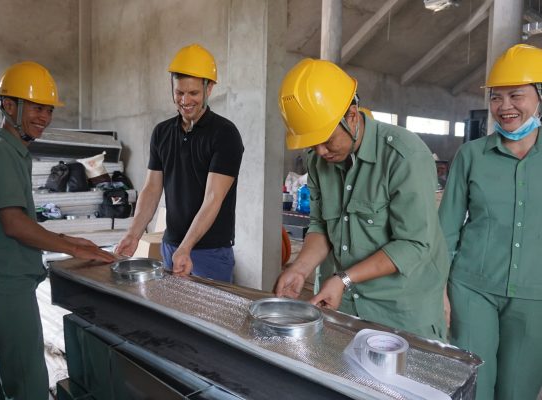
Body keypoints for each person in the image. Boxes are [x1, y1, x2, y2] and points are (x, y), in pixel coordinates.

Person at [0, 61, 116, 400]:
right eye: (36, 107)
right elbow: (14, 224)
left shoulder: (14, 153)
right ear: (8, 105)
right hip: (4, 289)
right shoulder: (0, 153)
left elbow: (19, 218)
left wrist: (69, 239)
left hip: (1, 285)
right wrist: (73, 249)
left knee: (5, 382)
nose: (44, 117)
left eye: (48, 109)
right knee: (29, 386)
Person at [274, 59, 449, 341]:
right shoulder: (319, 162)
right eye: (311, 143)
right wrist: (299, 268)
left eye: (327, 139)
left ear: (352, 115)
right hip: (338, 305)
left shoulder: (404, 156)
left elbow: (414, 243)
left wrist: (344, 278)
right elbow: (321, 226)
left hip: (398, 313)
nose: (320, 152)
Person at [438, 44, 542, 400]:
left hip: (535, 296)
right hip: (471, 290)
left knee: (519, 392)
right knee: (472, 388)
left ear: (540, 97)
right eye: (497, 98)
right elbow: (446, 229)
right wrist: (441, 291)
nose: (505, 107)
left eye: (517, 95)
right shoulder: (471, 156)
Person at [115, 44, 244, 283]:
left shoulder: (225, 134)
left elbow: (213, 198)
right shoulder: (162, 133)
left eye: (193, 93)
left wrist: (186, 247)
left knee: (207, 319)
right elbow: (152, 189)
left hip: (211, 251)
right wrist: (134, 234)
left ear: (209, 88)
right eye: (179, 93)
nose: (185, 101)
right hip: (171, 245)